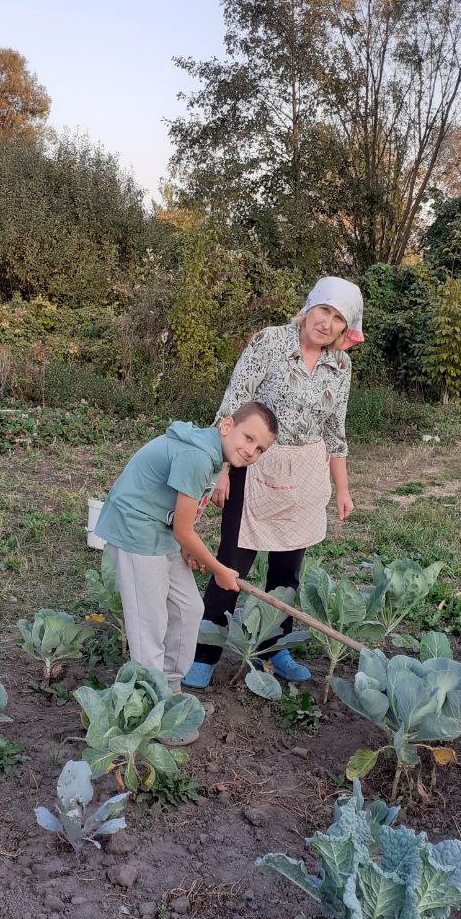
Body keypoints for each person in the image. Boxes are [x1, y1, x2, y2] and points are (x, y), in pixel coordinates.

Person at [183, 276, 364, 690]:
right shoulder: (269, 342)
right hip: (255, 463)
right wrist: (223, 469)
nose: (327, 323)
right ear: (309, 308)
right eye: (324, 311)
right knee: (231, 564)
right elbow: (234, 401)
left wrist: (343, 487)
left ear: (344, 328)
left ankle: (271, 646)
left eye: (338, 318)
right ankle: (205, 651)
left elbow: (336, 429)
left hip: (306, 474)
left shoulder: (341, 365)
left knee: (287, 571)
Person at [93, 402, 278, 726]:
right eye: (248, 438)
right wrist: (220, 569)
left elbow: (182, 523)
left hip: (160, 530)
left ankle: (170, 688)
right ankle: (150, 710)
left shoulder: (215, 457)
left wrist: (190, 550)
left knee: (189, 608)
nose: (251, 450)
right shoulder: (197, 456)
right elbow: (183, 529)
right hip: (135, 529)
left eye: (260, 448)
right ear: (225, 425)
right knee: (150, 625)